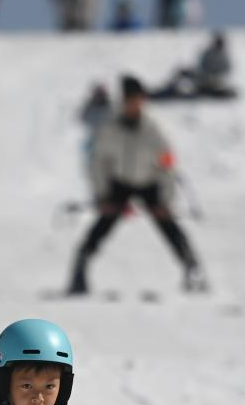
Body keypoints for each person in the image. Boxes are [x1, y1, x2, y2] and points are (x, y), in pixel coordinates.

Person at [67, 75, 207, 294]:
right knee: (101, 228)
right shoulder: (110, 127)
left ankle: (193, 269)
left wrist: (165, 199)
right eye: (129, 99)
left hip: (149, 183)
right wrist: (102, 196)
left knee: (169, 227)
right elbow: (97, 162)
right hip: (120, 182)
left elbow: (167, 163)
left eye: (137, 99)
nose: (134, 104)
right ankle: (79, 272)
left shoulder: (152, 130)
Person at [151, 32, 235, 100]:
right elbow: (201, 67)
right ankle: (170, 89)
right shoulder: (208, 53)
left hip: (215, 83)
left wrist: (216, 79)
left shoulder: (225, 58)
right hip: (203, 79)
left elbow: (226, 73)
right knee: (182, 71)